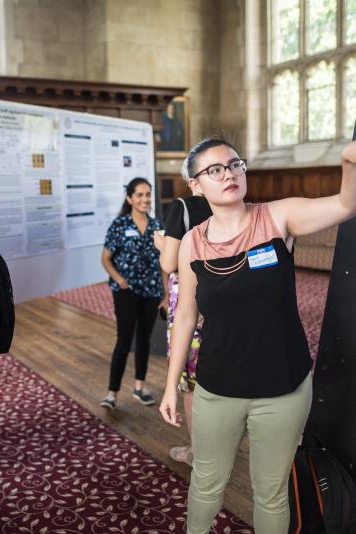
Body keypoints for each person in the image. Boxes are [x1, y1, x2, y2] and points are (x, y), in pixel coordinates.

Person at [159, 111, 356, 534]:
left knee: (270, 492)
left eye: (234, 164)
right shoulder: (192, 241)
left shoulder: (278, 217)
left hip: (282, 389)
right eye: (214, 169)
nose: (228, 174)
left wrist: (349, 162)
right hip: (217, 389)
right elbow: (186, 316)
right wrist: (172, 383)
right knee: (206, 485)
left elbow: (349, 204)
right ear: (195, 185)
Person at [154, 170, 212, 466]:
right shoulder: (229, 204)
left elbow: (169, 262)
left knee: (190, 382)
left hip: (190, 299)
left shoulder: (182, 207)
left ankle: (196, 452)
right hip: (222, 294)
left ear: (190, 182)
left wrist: (160, 242)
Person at [99, 177, 168, 410]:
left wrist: (166, 294)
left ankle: (139, 388)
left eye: (147, 194)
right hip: (126, 291)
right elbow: (106, 259)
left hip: (151, 290)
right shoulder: (119, 225)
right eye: (139, 195)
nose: (144, 199)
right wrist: (119, 279)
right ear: (129, 198)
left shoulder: (157, 226)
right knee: (124, 340)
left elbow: (163, 263)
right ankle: (112, 394)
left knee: (144, 340)